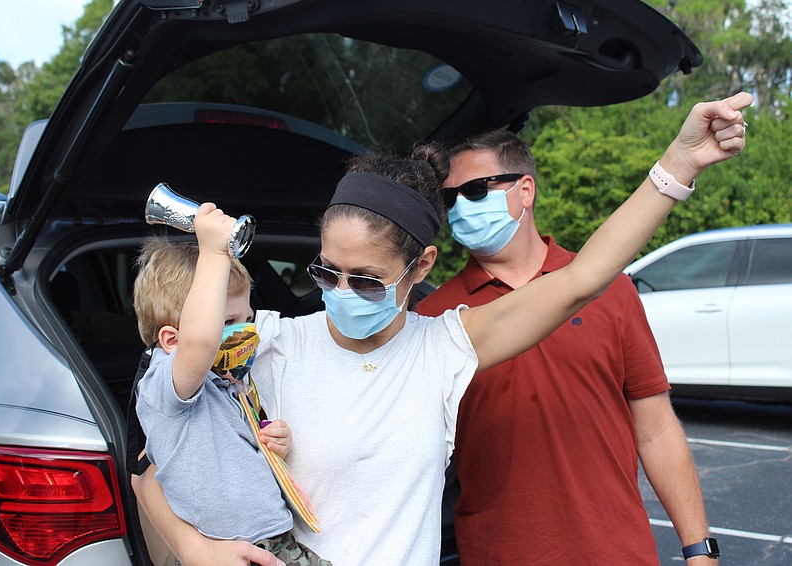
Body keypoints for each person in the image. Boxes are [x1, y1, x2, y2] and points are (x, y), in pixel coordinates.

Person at [133, 92, 751, 566]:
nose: (343, 294)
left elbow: (581, 278)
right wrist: (193, 549)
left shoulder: (444, 344)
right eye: (327, 273)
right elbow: (151, 463)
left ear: (420, 267)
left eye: (368, 279)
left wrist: (678, 164)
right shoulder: (266, 344)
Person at [416, 125, 716, 564]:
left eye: (477, 189)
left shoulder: (609, 289)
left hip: (617, 553)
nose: (461, 206)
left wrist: (699, 549)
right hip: (497, 554)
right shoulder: (435, 320)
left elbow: (656, 430)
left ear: (525, 190)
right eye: (450, 198)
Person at [131, 236, 329, 566]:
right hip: (228, 550)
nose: (246, 332)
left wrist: (272, 441)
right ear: (171, 340)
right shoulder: (166, 384)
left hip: (275, 538)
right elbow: (199, 344)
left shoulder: (224, 380)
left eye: (247, 319)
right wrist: (213, 250)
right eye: (226, 324)